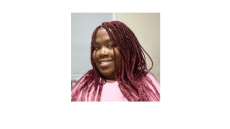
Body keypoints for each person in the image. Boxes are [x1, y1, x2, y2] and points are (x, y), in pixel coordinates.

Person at [71, 21, 160, 102]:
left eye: (111, 45)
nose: (102, 52)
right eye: (96, 48)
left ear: (127, 49)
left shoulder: (145, 82)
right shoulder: (85, 83)